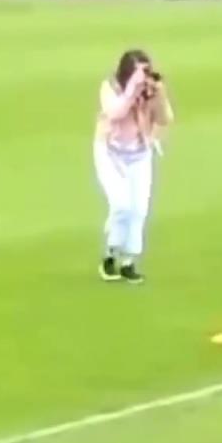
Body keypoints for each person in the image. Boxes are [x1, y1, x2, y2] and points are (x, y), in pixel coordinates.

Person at [94, 49, 174, 284]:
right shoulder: (111, 88)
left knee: (138, 209)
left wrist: (159, 95)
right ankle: (110, 254)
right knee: (121, 205)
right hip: (110, 153)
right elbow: (115, 113)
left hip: (139, 154)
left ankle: (129, 261)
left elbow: (165, 119)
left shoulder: (149, 91)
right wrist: (132, 91)